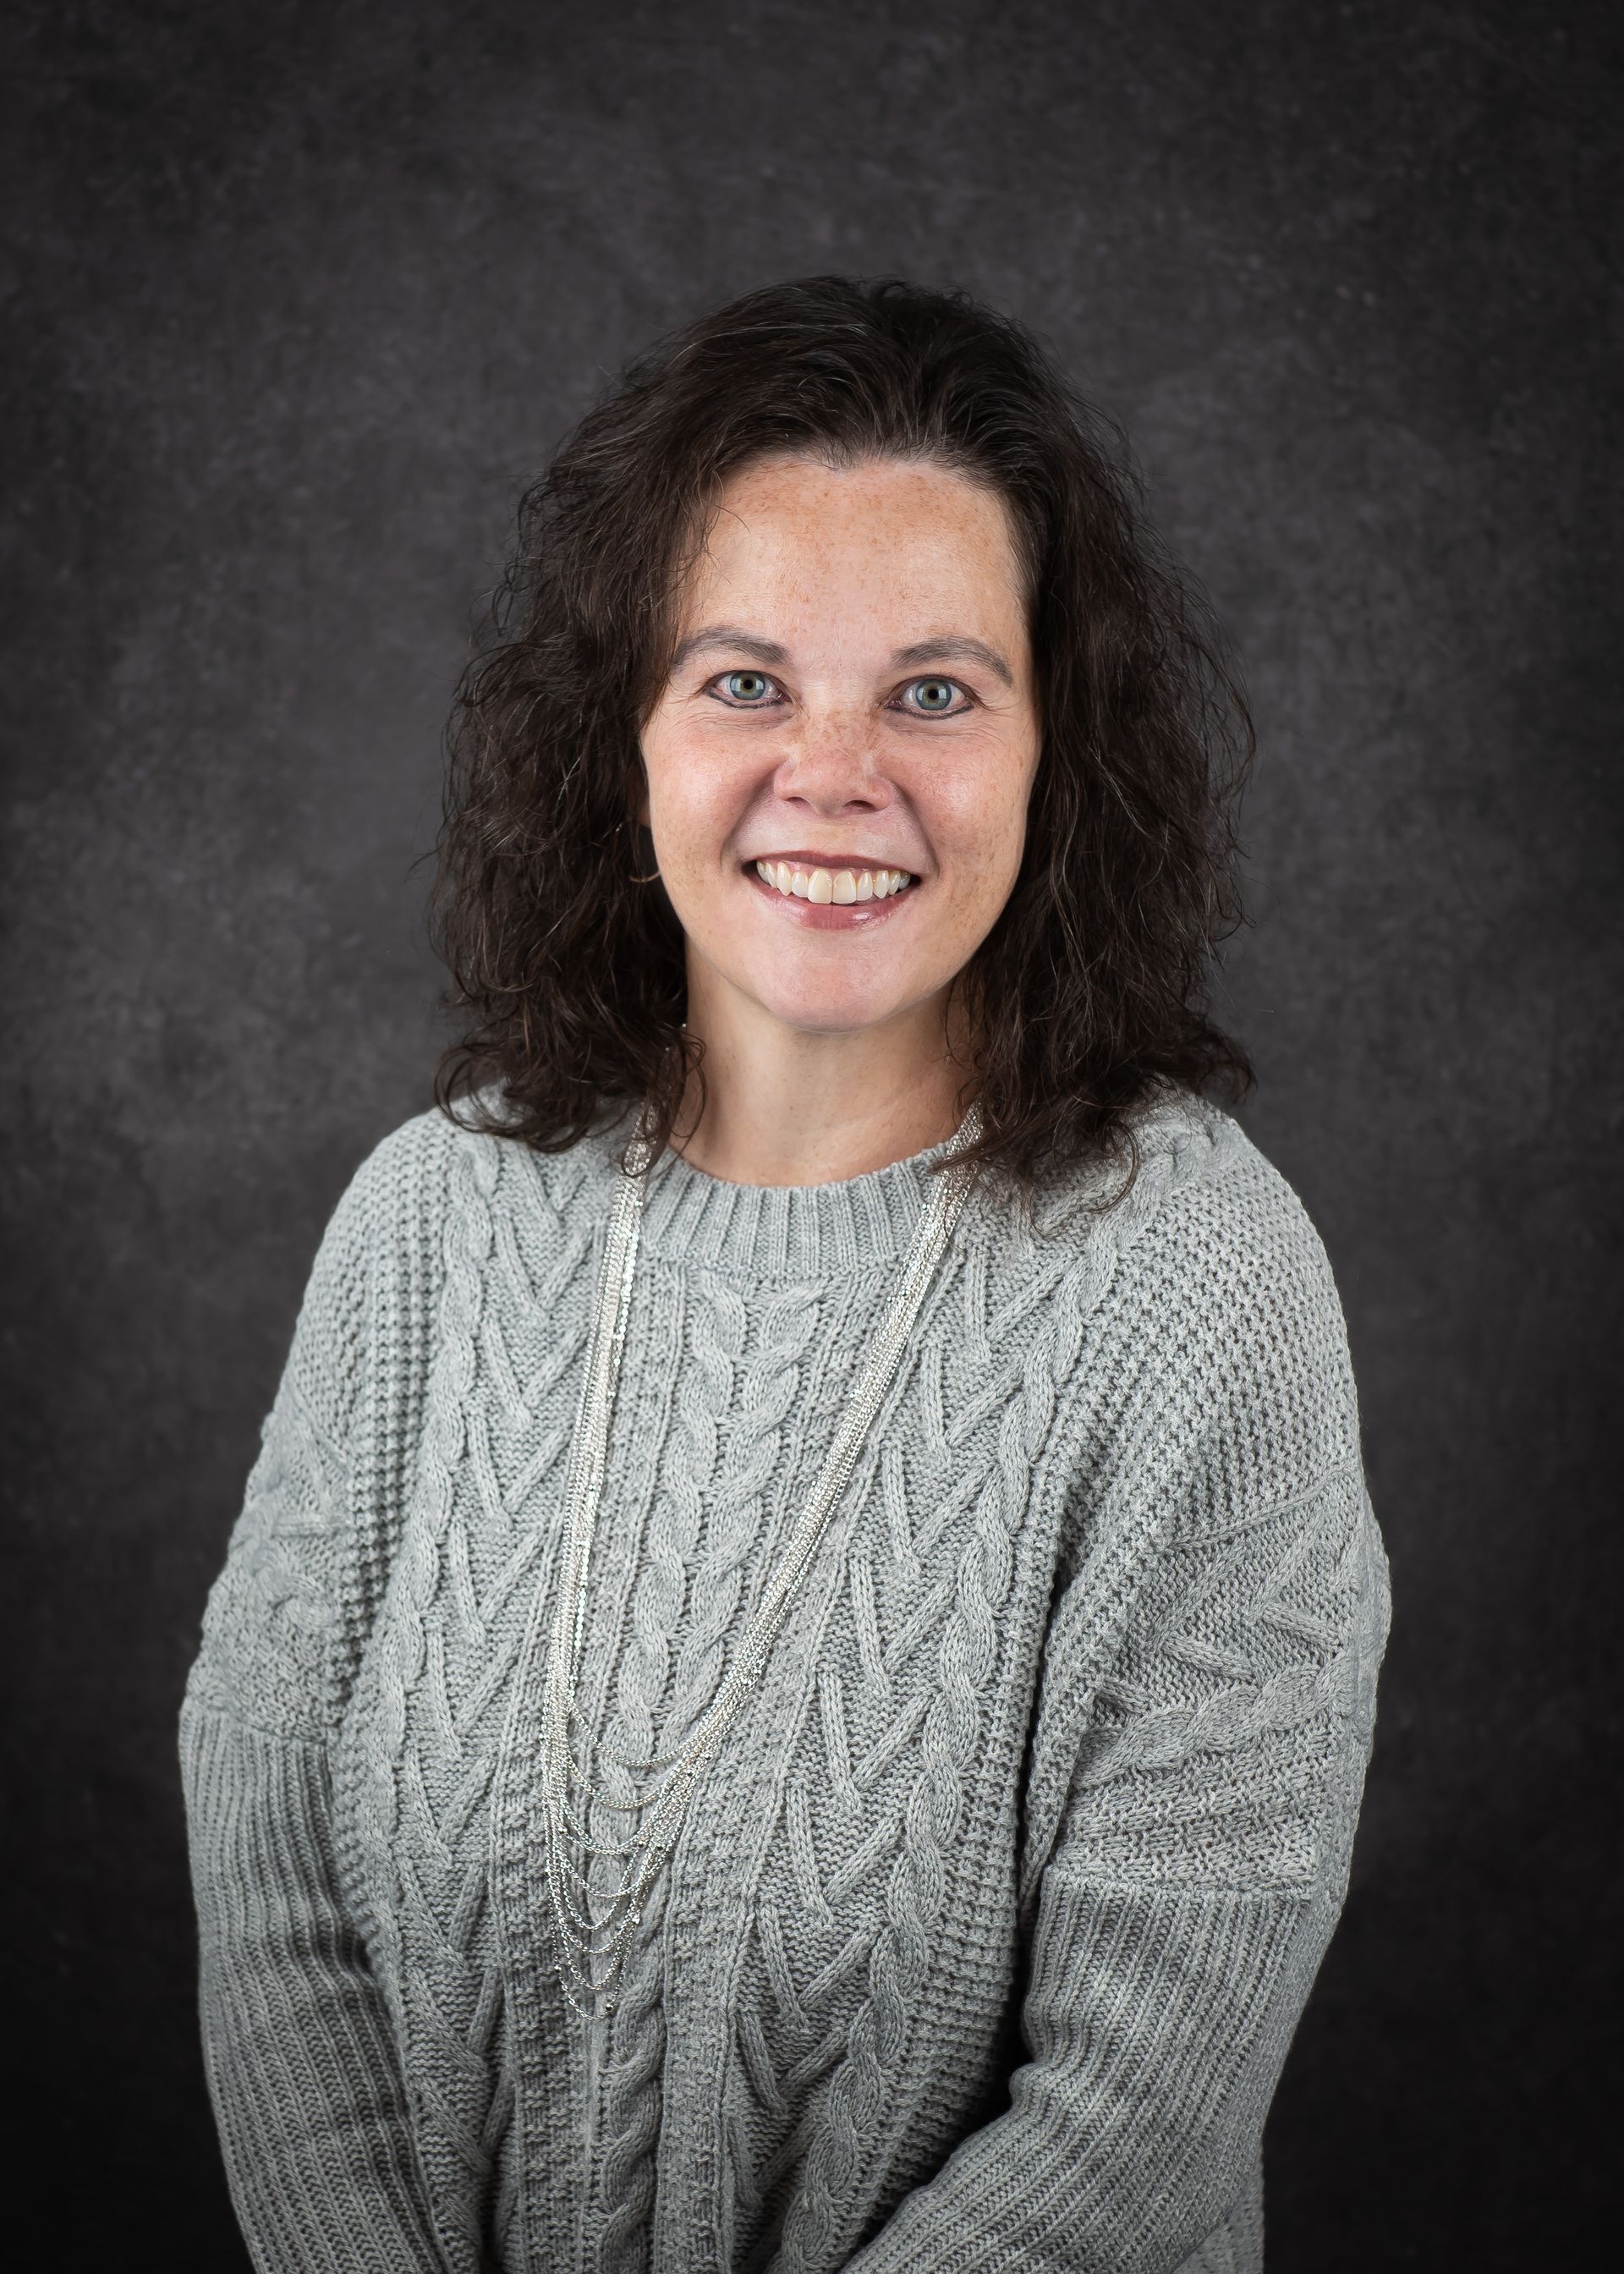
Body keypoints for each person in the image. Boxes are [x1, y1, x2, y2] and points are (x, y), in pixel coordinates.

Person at [180, 275, 1391, 2274]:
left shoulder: (1200, 1288)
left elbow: (1137, 2113)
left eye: (933, 691)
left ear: (1049, 754)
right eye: (747, 681)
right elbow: (273, 1871)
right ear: (627, 735)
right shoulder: (427, 1227)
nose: (834, 774)